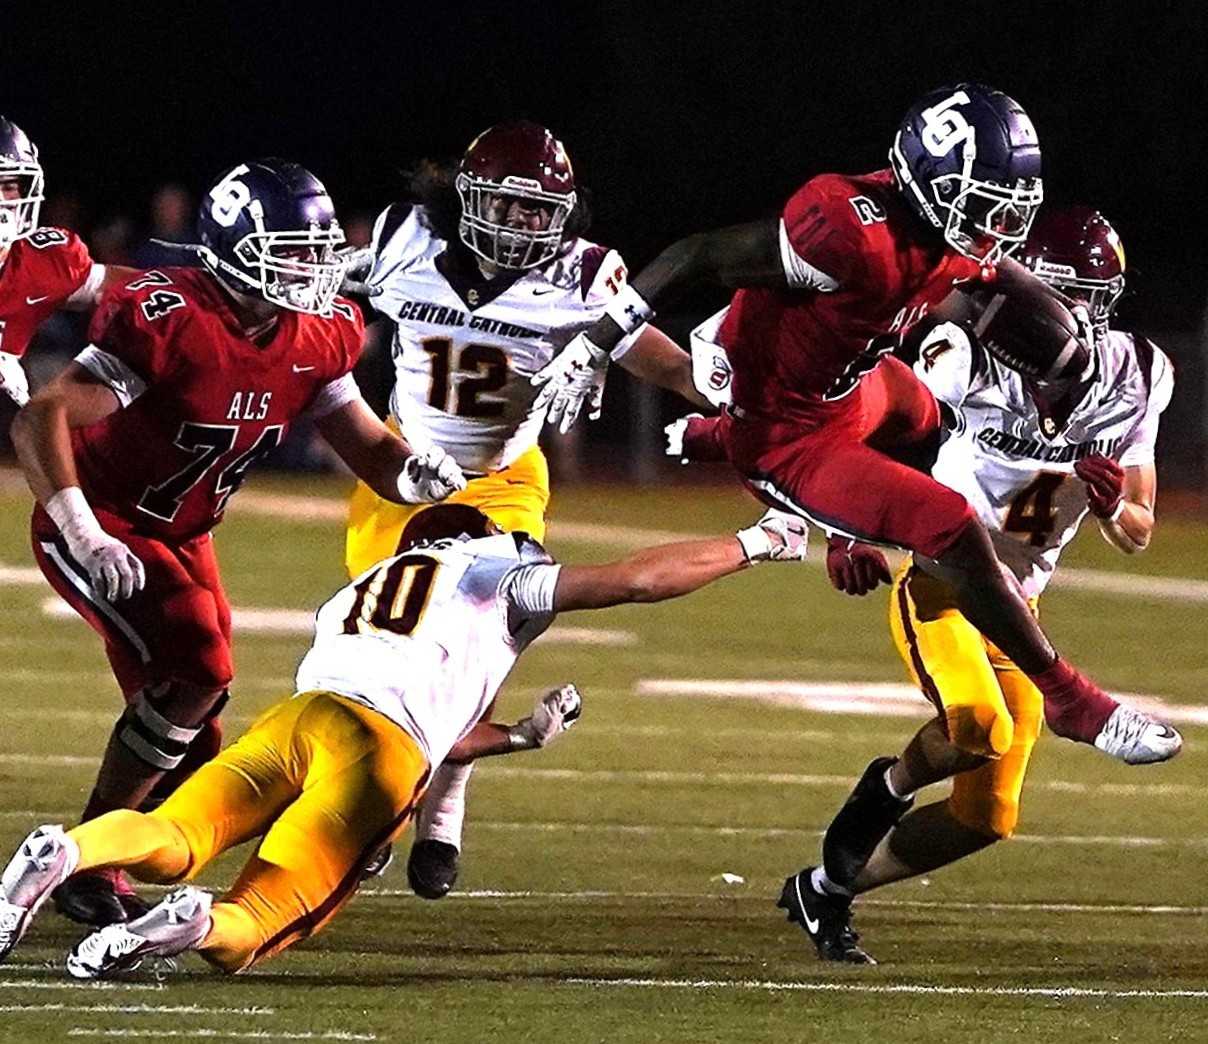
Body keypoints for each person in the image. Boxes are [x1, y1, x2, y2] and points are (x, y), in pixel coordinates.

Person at [533, 83, 1179, 768]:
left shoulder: (942, 229)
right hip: (790, 431)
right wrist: (596, 343)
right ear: (929, 180)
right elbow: (696, 254)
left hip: (857, 389)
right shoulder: (847, 231)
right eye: (985, 201)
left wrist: (1057, 318)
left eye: (1007, 206)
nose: (995, 221)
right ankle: (1071, 698)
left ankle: (729, 447)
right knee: (948, 523)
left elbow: (991, 269)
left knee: (940, 426)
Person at [0, 501, 808, 977]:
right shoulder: (494, 570)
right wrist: (755, 544)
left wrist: (519, 738)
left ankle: (64, 852)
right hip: (381, 755)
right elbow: (633, 581)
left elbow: (435, 713)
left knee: (176, 832)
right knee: (265, 917)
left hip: (306, 716)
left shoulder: (364, 586)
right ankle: (192, 924)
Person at [9, 158, 466, 928]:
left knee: (195, 731)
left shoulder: (320, 333)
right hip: (103, 519)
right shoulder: (174, 314)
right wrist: (83, 531)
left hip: (184, 529)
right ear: (235, 249)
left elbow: (366, 448)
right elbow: (39, 417)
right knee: (199, 669)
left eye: (316, 252)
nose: (310, 268)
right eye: (291, 250)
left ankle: (102, 861)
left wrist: (415, 474)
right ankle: (83, 860)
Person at [781, 207, 1175, 963]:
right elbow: (863, 428)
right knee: (977, 726)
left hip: (1018, 607)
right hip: (941, 581)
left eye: (1082, 297)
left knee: (987, 816)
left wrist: (1109, 503)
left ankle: (824, 891)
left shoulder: (1138, 375)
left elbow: (1139, 530)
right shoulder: (963, 352)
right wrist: (847, 528)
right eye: (1053, 293)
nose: (1063, 316)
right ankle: (879, 796)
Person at [343, 120, 708, 899]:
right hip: (401, 472)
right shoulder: (402, 239)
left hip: (503, 481)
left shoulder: (586, 279)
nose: (518, 227)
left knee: (472, 647)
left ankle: (437, 807)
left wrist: (727, 394)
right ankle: (403, 802)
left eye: (536, 212)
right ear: (466, 199)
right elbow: (317, 292)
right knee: (386, 659)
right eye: (504, 208)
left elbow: (667, 363)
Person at [0, 116, 133, 406]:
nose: (1, 199)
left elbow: (130, 289)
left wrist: (202, 296)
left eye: (9, 184)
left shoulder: (38, 263)